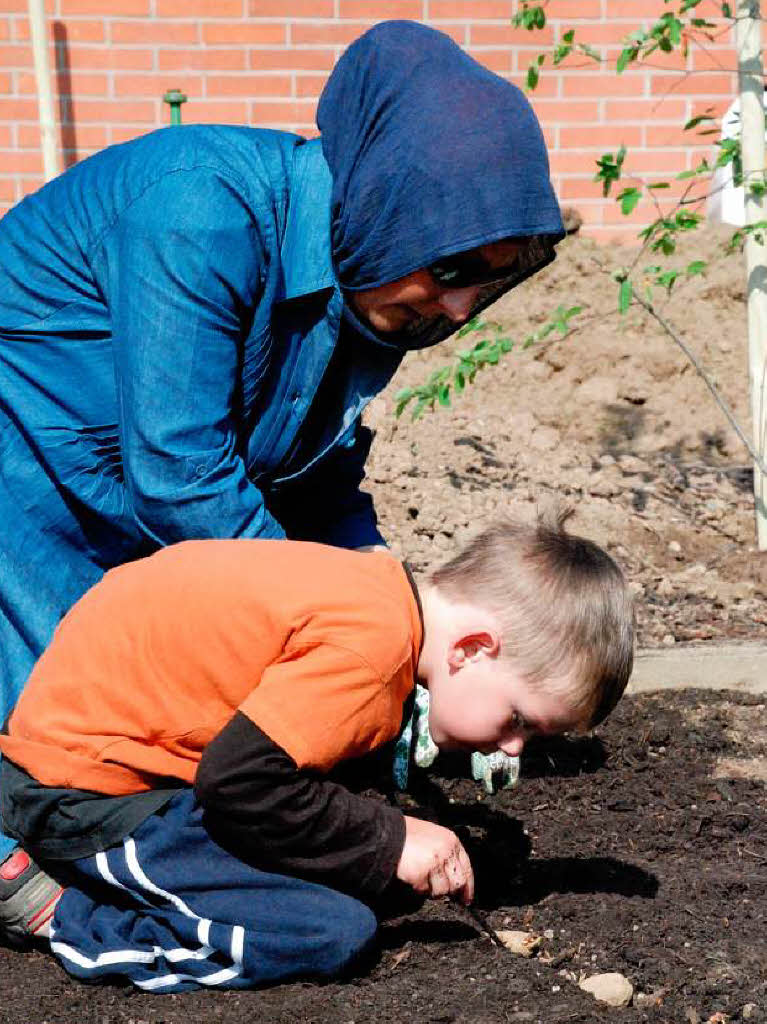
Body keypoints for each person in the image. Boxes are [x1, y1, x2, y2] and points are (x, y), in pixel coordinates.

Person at [0, 20, 565, 919]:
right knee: (66, 714)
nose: (458, 306)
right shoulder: (201, 208)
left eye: (488, 282)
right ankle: (28, 884)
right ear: (385, 207)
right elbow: (183, 477)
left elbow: (316, 475)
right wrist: (350, 637)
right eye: (451, 268)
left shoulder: (372, 285)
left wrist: (392, 609)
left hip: (128, 478)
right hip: (27, 454)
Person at [0, 511, 634, 989]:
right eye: (520, 719)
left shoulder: (376, 592)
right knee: (326, 931)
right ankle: (65, 914)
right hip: (87, 796)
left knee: (341, 862)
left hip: (124, 756)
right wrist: (391, 840)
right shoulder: (371, 652)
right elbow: (242, 785)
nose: (514, 746)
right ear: (471, 648)